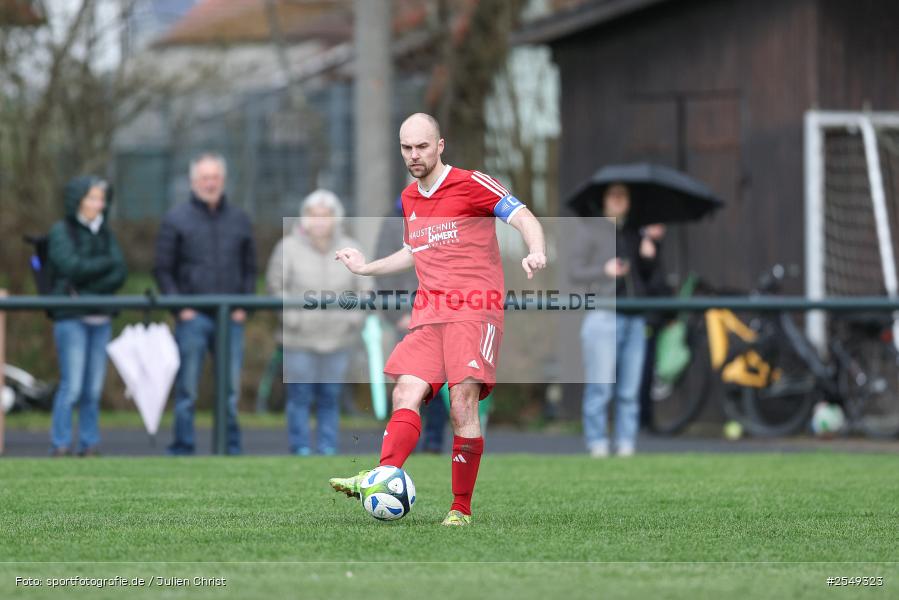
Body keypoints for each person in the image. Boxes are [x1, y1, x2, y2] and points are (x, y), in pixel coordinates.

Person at [329, 113, 547, 526]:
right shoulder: (410, 199)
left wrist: (535, 249)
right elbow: (414, 251)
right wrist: (365, 268)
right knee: (405, 391)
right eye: (406, 148)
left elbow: (523, 216)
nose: (414, 155)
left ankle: (460, 509)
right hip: (430, 312)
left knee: (462, 403)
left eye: (422, 147)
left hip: (474, 311)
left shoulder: (472, 183)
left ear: (440, 145)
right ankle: (383, 474)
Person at [154, 153, 256, 456]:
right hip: (193, 318)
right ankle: (183, 447)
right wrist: (180, 309)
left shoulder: (239, 219)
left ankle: (230, 449)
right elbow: (162, 269)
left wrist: (243, 307)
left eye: (215, 177)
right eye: (204, 178)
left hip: (231, 319)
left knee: (229, 391)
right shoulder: (176, 219)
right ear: (193, 181)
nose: (210, 183)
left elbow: (250, 268)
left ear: (223, 181)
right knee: (188, 389)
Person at [266, 190, 368, 456]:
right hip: (299, 339)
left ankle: (327, 448)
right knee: (299, 397)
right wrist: (293, 319)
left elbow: (365, 288)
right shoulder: (287, 248)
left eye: (326, 215)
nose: (320, 221)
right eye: (315, 215)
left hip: (339, 339)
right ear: (305, 218)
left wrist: (352, 320)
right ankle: (300, 447)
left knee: (330, 398)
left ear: (336, 218)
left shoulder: (350, 247)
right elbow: (275, 288)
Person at [568, 183, 662, 458]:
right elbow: (574, 271)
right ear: (605, 200)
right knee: (600, 387)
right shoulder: (591, 230)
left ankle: (626, 445)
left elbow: (649, 281)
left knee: (630, 390)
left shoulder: (637, 234)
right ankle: (597, 443)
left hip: (635, 319)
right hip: (603, 315)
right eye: (615, 195)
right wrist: (604, 270)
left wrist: (649, 256)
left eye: (625, 196)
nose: (620, 201)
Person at [47, 176, 128, 456]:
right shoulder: (61, 231)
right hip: (71, 318)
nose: (99, 204)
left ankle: (89, 443)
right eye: (93, 198)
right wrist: (102, 269)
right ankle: (60, 444)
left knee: (93, 390)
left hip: (101, 319)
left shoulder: (107, 234)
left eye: (101, 199)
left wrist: (90, 282)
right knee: (72, 386)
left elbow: (120, 272)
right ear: (78, 200)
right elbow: (71, 267)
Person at [373, 197, 448, 454]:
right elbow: (383, 274)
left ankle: (434, 440)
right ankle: (404, 444)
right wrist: (398, 315)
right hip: (406, 318)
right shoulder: (393, 222)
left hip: (437, 316)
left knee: (435, 385)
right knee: (406, 385)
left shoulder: (443, 219)